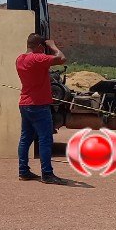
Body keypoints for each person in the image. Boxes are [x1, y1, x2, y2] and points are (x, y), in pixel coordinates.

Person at [16, 34, 66, 184]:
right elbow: (62, 58)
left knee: (25, 138)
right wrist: (52, 45)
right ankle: (47, 174)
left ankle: (23, 171)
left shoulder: (20, 59)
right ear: (39, 46)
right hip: (39, 105)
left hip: (25, 103)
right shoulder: (37, 58)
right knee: (45, 139)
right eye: (43, 47)